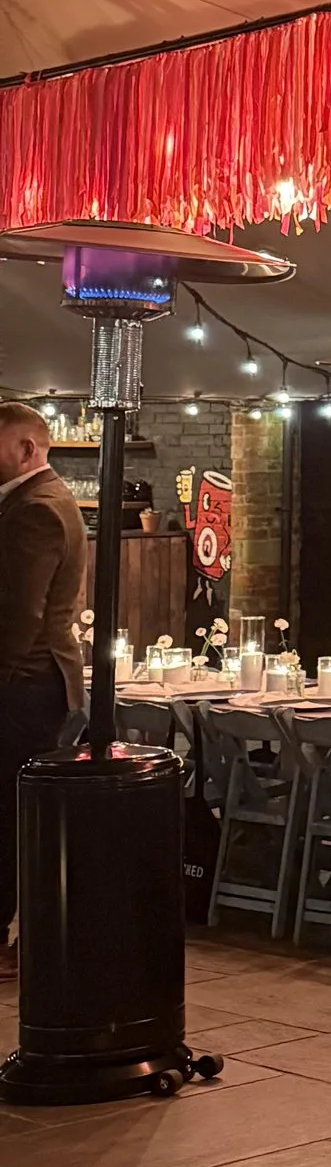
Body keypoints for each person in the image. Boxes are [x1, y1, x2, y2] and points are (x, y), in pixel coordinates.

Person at [0, 399, 88, 963]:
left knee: (6, 815)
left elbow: (18, 614)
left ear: (26, 448)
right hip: (35, 680)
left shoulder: (36, 509)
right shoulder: (37, 500)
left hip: (25, 683)